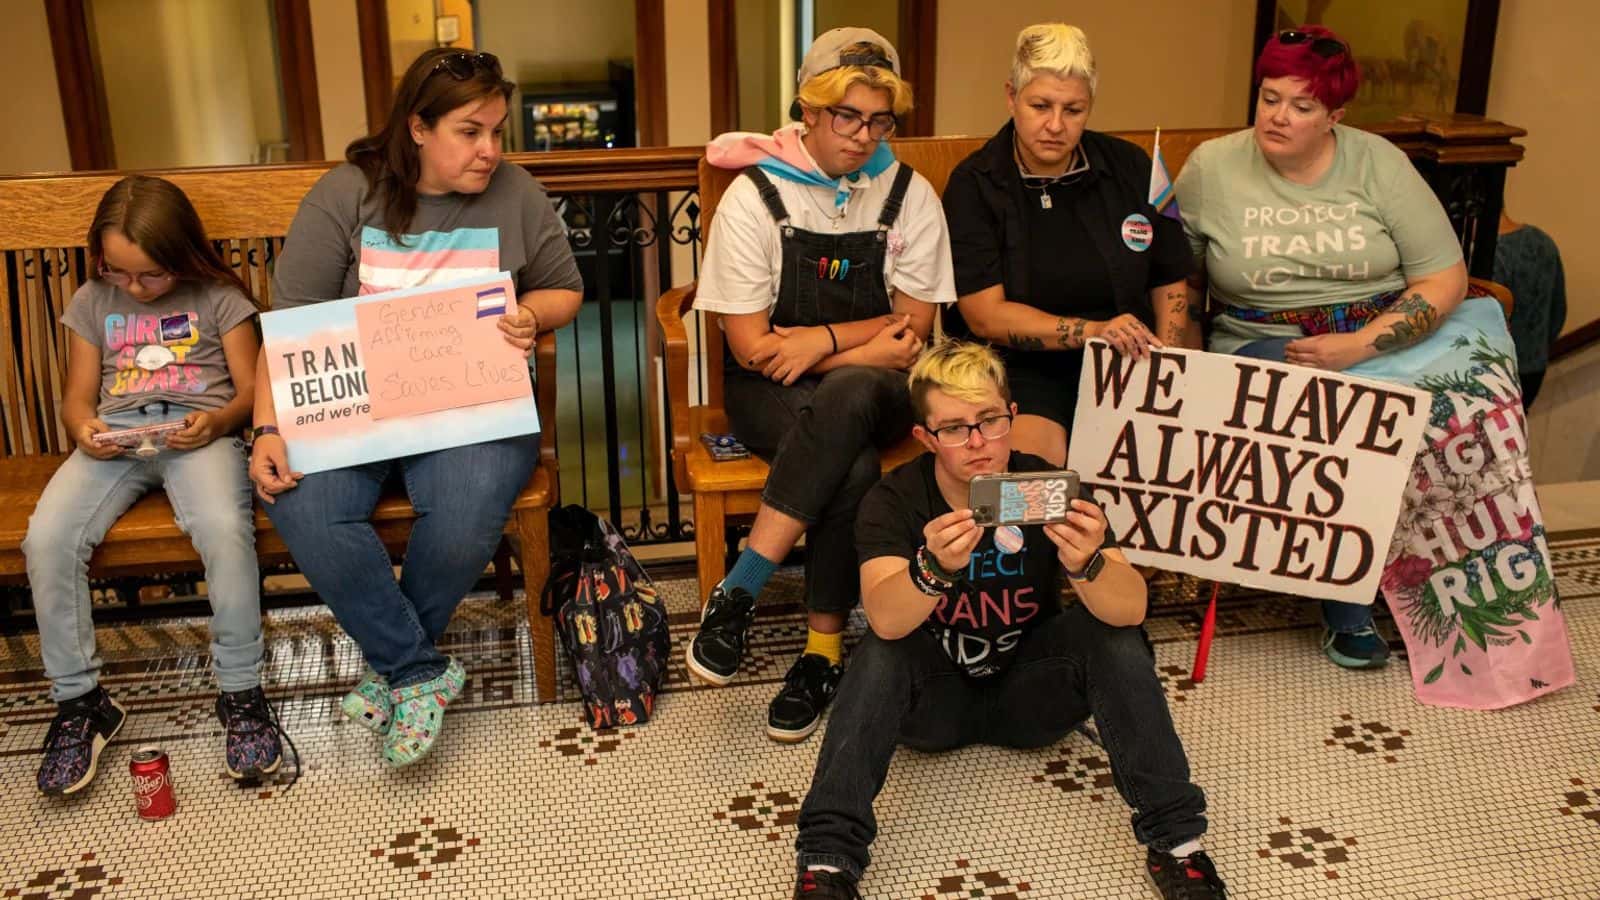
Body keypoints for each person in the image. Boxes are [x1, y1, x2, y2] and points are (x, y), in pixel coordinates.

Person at [791, 340, 1224, 900]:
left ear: (1011, 418)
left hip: (1031, 695)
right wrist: (932, 570)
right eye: (953, 428)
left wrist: (1087, 562)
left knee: (1111, 633)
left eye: (989, 421)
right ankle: (827, 861)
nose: (976, 443)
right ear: (925, 437)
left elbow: (1130, 610)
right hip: (934, 702)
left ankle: (1177, 845)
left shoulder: (1047, 486)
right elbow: (886, 619)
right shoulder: (894, 499)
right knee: (879, 652)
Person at [252, 48, 583, 767]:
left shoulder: (517, 193)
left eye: (499, 130)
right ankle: (417, 669)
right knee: (302, 501)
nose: (491, 149)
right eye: (471, 131)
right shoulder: (346, 195)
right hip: (356, 408)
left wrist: (530, 312)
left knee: (464, 513)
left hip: (477, 408)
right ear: (419, 128)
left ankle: (396, 670)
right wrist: (268, 428)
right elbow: (289, 328)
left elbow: (566, 289)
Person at [685, 27, 956, 743]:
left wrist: (814, 343)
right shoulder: (755, 198)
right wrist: (845, 347)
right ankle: (820, 654)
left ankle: (740, 589)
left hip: (884, 389)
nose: (863, 137)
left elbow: (913, 337)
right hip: (766, 389)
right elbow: (750, 346)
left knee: (853, 394)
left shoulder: (909, 194)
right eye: (847, 118)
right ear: (807, 110)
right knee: (853, 458)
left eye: (879, 121)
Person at [1174, 25, 1471, 670]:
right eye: (1269, 97)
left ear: (1336, 115)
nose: (1277, 116)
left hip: (1383, 334)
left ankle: (1457, 590)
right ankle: (1348, 605)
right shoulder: (1211, 167)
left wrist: (1363, 344)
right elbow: (1181, 282)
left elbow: (1445, 275)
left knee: (1468, 414)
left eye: (1301, 106)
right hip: (1266, 342)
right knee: (1331, 410)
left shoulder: (1379, 163)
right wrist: (1188, 370)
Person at [26, 175, 285, 795]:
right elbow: (76, 400)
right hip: (115, 439)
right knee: (47, 539)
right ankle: (81, 703)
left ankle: (241, 693)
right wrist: (84, 429)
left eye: (150, 276)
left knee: (224, 529)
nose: (134, 288)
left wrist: (216, 421)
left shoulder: (220, 296)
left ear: (184, 255)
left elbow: (251, 392)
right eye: (119, 272)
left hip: (200, 436)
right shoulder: (94, 300)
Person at [941, 23, 1197, 467]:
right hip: (1021, 367)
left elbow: (1172, 279)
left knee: (1169, 463)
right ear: (1010, 97)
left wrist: (1167, 358)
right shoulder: (975, 184)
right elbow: (984, 317)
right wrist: (1093, 332)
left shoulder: (1133, 166)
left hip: (1131, 359)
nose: (1055, 126)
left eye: (1073, 110)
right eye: (1040, 106)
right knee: (1035, 474)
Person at [1493, 209, 1567, 408]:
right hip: (1534, 368)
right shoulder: (1543, 243)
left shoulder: (1487, 255)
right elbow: (1558, 312)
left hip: (1494, 374)